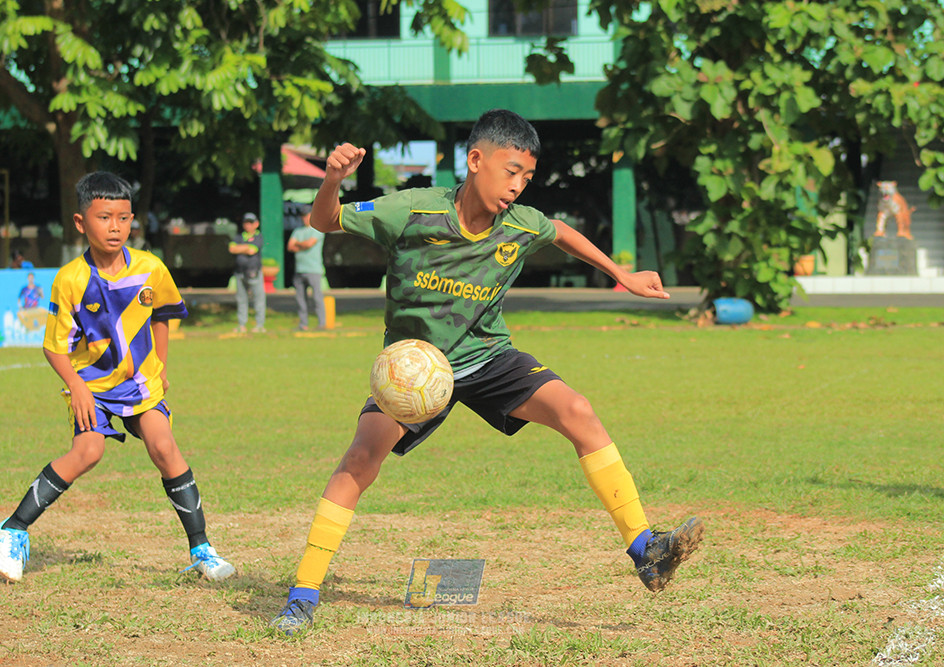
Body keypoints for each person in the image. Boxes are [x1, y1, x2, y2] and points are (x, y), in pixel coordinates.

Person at [271, 109, 704, 635]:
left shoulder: (520, 223)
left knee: (577, 410)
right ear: (476, 160)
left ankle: (646, 550)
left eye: (527, 177)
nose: (518, 186)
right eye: (511, 171)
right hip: (417, 370)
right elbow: (323, 221)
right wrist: (333, 180)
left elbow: (559, 231)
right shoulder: (412, 211)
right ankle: (303, 594)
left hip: (488, 356)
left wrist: (622, 275)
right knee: (360, 459)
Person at [0, 172, 236, 584]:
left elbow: (162, 315)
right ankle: (11, 529)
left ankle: (201, 550)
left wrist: (160, 367)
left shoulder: (150, 268)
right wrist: (78, 388)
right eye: (104, 217)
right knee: (88, 452)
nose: (115, 227)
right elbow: (54, 347)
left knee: (164, 446)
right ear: (81, 222)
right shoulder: (70, 278)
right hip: (91, 385)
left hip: (138, 383)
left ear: (132, 220)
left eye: (123, 218)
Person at [286, 205, 327, 330]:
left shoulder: (318, 230)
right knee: (300, 299)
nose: (305, 218)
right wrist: (302, 245)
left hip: (314, 269)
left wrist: (298, 244)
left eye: (307, 216)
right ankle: (303, 324)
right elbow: (290, 246)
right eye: (303, 216)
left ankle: (322, 323)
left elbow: (309, 244)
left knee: (317, 298)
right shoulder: (298, 231)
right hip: (300, 269)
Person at [228, 212, 267, 334]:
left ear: (256, 224)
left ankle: (259, 325)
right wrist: (246, 247)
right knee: (241, 299)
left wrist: (240, 248)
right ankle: (242, 325)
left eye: (250, 223)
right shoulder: (239, 236)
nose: (248, 225)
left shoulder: (258, 237)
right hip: (240, 272)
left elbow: (252, 250)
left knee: (258, 299)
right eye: (246, 223)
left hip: (254, 272)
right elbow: (232, 249)